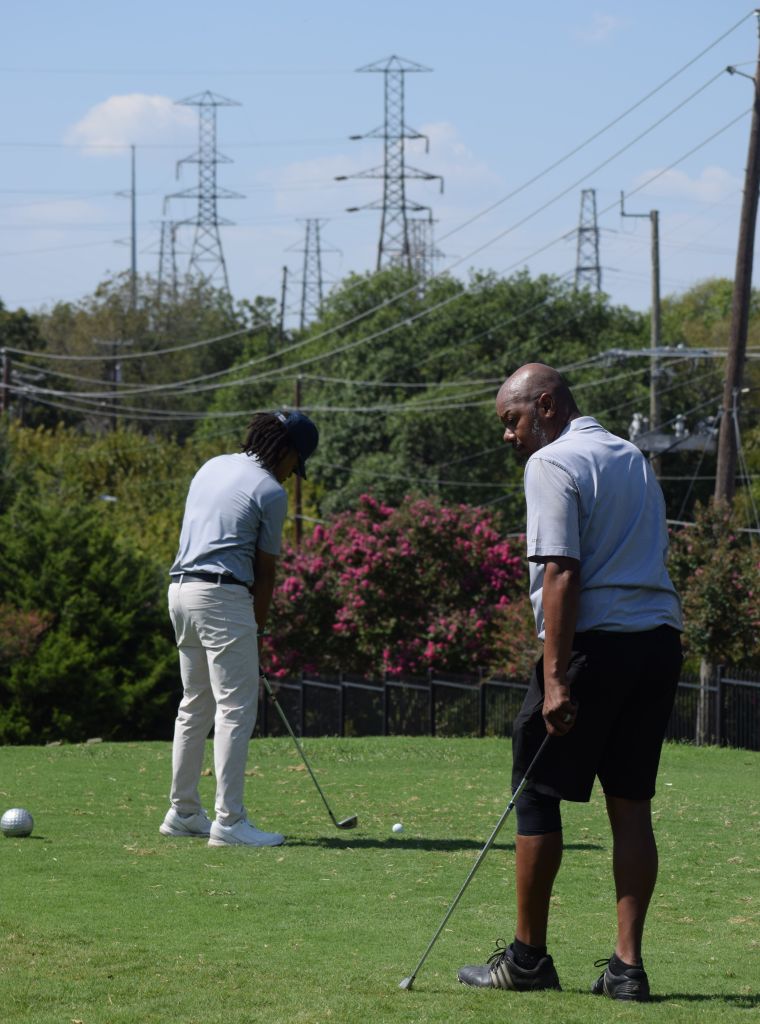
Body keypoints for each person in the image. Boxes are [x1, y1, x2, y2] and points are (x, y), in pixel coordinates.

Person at [458, 363, 682, 1002]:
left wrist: (555, 681)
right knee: (631, 803)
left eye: (513, 420)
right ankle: (626, 969)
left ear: (547, 406)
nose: (510, 436)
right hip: (658, 643)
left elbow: (560, 570)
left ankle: (527, 960)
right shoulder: (631, 456)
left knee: (535, 794)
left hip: (595, 647)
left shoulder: (552, 463)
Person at [159, 409, 319, 848]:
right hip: (222, 596)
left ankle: (184, 812)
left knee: (195, 704)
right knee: (235, 709)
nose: (291, 475)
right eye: (295, 464)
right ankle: (229, 823)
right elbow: (264, 572)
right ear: (284, 451)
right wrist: (259, 629)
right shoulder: (269, 490)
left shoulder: (212, 465)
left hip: (181, 592)